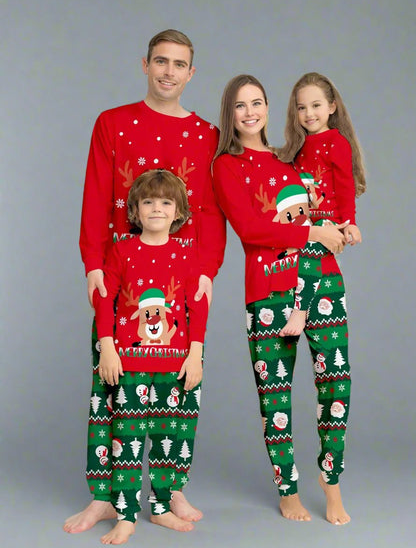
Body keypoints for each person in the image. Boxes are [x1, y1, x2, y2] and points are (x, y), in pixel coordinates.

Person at [64, 29, 226, 534]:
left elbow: (209, 212)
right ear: (145, 64)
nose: (169, 72)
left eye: (180, 64)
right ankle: (106, 497)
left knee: (177, 393)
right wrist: (94, 261)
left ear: (191, 73)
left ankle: (169, 490)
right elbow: (95, 194)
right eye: (161, 61)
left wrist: (207, 270)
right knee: (109, 393)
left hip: (180, 287)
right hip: (121, 277)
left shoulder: (206, 135)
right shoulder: (112, 123)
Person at [212, 74, 351, 525]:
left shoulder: (290, 159)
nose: (250, 112)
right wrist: (314, 230)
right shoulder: (226, 166)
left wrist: (342, 225)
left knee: (336, 386)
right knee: (276, 397)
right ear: (229, 115)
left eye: (257, 102)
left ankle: (331, 483)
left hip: (321, 284)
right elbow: (252, 230)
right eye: (240, 106)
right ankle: (287, 488)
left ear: (272, 108)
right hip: (268, 293)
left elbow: (330, 197)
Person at [95, 169, 209, 544]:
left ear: (177, 211)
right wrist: (108, 347)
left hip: (175, 364)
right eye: (148, 202)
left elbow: (197, 307)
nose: (156, 209)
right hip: (129, 364)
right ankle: (126, 514)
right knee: (125, 440)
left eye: (165, 202)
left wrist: (196, 356)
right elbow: (105, 299)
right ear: (135, 209)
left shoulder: (187, 253)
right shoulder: (122, 250)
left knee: (168, 439)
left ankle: (160, 508)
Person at [277, 71, 366, 337]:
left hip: (329, 218)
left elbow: (345, 184)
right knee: (296, 248)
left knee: (310, 249)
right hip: (304, 217)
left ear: (331, 106)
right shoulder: (298, 145)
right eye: (301, 108)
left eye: (316, 106)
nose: (308, 114)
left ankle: (300, 310)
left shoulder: (336, 142)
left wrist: (349, 223)